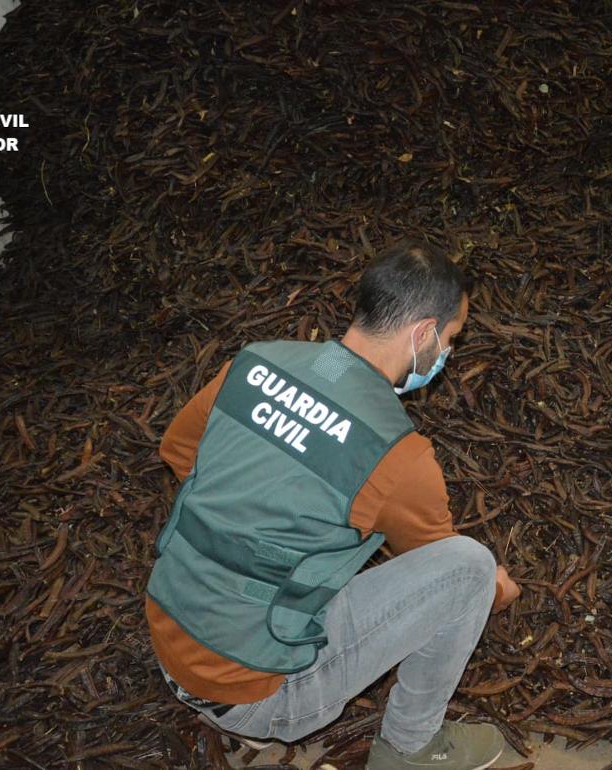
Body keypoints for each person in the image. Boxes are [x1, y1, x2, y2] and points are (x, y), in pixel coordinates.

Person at [144, 241, 521, 770]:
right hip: (260, 693)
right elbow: (440, 566)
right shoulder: (398, 456)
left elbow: (180, 449)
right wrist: (502, 590)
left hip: (166, 636)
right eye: (451, 338)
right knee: (471, 569)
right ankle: (410, 751)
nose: (448, 354)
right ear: (422, 334)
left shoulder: (252, 363)